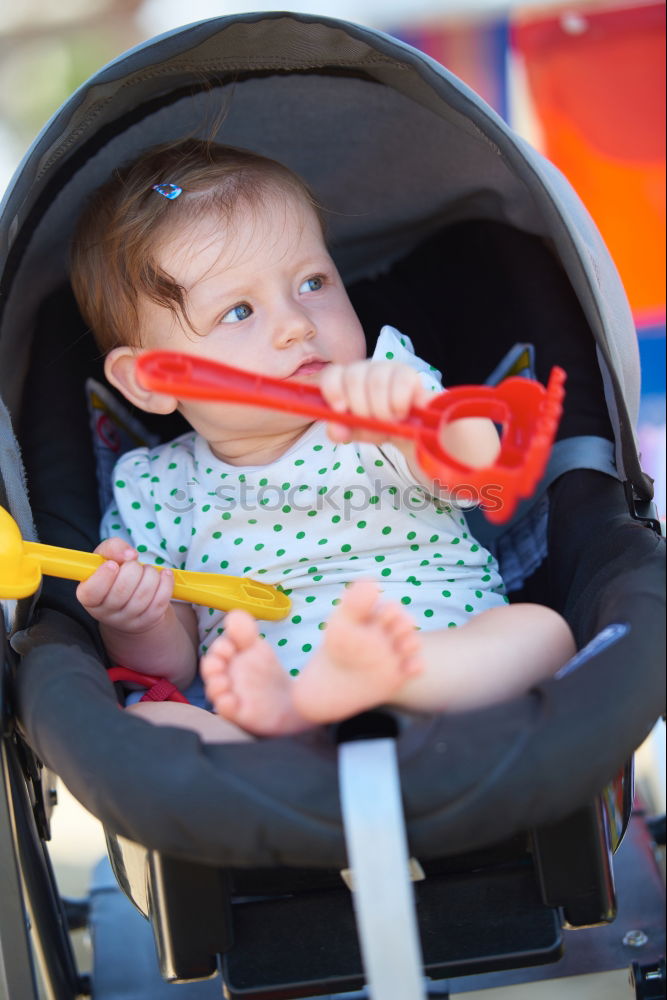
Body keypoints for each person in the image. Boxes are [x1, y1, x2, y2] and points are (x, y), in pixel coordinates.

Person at [71, 138, 575, 742]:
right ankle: (292, 721)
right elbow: (172, 664)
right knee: (148, 721)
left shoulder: (380, 392)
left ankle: (378, 683)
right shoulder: (154, 486)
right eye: (238, 312)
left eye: (312, 282)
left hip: (436, 657)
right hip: (260, 710)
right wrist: (133, 617)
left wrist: (418, 417)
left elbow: (477, 475)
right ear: (149, 381)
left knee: (544, 632)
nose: (296, 324)